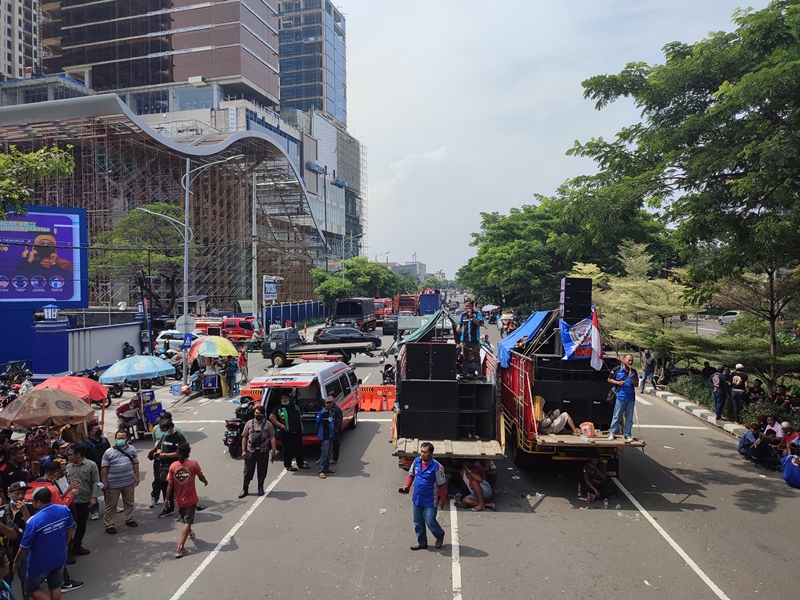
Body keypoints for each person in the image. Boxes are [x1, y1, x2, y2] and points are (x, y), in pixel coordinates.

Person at [14, 487, 75, 600]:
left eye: (32, 501)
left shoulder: (34, 521)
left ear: (38, 502)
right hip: (59, 556)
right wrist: (65, 544)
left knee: (31, 589)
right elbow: (70, 528)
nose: (31, 503)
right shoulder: (64, 510)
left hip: (40, 563)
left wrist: (16, 561)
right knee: (55, 585)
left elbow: (24, 547)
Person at [399, 443, 446, 551]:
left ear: (431, 453)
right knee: (417, 522)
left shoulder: (437, 467)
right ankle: (422, 542)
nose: (422, 454)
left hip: (430, 500)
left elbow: (442, 486)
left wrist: (442, 500)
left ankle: (439, 535)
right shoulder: (416, 462)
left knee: (430, 520)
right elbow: (411, 475)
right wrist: (407, 486)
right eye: (421, 451)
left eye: (425, 452)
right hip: (417, 499)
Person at [165, 443, 207, 559]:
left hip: (179, 499)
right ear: (189, 452)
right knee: (187, 521)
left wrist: (167, 498)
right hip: (191, 499)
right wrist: (205, 481)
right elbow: (201, 476)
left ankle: (189, 533)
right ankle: (180, 547)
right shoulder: (193, 464)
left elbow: (169, 484)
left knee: (185, 519)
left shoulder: (173, 466)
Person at [100, 431, 139, 534]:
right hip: (113, 483)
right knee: (111, 505)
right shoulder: (108, 452)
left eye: (123, 438)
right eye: (119, 438)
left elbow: (135, 463)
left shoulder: (132, 449)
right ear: (115, 438)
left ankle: (129, 519)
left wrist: (136, 477)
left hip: (128, 481)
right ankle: (109, 524)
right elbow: (104, 468)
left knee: (129, 501)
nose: (120, 440)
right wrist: (104, 481)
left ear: (126, 438)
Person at [65, 445, 99, 558]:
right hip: (69, 502)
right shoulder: (67, 467)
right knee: (69, 527)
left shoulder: (91, 465)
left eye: (70, 454)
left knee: (81, 526)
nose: (68, 456)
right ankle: (68, 549)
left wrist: (94, 497)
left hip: (84, 500)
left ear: (78, 455)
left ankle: (77, 546)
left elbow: (96, 482)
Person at [1, 481, 32, 596]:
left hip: (23, 549)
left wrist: (24, 511)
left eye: (23, 493)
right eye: (17, 493)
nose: (20, 496)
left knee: (26, 577)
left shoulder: (29, 508)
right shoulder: (2, 511)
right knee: (6, 578)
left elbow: (31, 528)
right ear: (9, 494)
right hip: (7, 551)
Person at [239, 406, 277, 498]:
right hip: (250, 451)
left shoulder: (268, 424)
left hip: (263, 452)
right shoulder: (249, 423)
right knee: (247, 471)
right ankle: (245, 489)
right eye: (256, 413)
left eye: (259, 413)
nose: (257, 415)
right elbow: (244, 437)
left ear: (263, 414)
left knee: (262, 471)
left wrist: (273, 450)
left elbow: (272, 437)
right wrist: (243, 451)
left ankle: (260, 487)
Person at [150, 420, 185, 519]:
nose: (164, 432)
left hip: (176, 465)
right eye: (162, 430)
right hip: (164, 466)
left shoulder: (179, 437)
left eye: (165, 430)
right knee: (165, 488)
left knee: (179, 488)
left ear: (171, 428)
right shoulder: (164, 436)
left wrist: (166, 455)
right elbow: (159, 447)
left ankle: (184, 510)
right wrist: (159, 452)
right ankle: (169, 508)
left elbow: (181, 453)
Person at [269, 393, 309, 472]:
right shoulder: (279, 408)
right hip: (286, 433)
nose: (284, 400)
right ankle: (288, 465)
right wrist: (280, 425)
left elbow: (299, 418)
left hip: (297, 431)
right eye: (282, 398)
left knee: (299, 448)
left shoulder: (295, 407)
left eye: (285, 398)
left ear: (288, 398)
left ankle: (300, 463)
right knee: (287, 449)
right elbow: (271, 417)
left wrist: (301, 427)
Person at [607, 354, 639, 442]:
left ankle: (627, 434)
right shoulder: (616, 370)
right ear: (623, 360)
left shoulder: (634, 371)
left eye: (632, 360)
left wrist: (632, 377)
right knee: (617, 415)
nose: (630, 362)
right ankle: (612, 433)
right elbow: (609, 379)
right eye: (629, 360)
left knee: (629, 417)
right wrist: (617, 382)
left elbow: (636, 385)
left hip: (630, 398)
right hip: (620, 396)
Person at [455, 299, 483, 365]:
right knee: (465, 357)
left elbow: (479, 323)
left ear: (472, 306)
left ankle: (479, 373)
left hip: (475, 339)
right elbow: (460, 325)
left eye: (469, 306)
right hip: (465, 339)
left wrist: (472, 316)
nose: (467, 308)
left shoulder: (477, 313)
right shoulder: (463, 315)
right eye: (466, 306)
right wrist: (458, 328)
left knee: (476, 357)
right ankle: (465, 373)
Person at [315, 397, 336, 479]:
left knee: (329, 453)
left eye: (330, 403)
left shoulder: (333, 412)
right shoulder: (322, 413)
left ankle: (327, 468)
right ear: (325, 404)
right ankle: (321, 471)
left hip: (331, 435)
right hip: (325, 436)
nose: (329, 404)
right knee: (324, 454)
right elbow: (317, 422)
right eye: (327, 403)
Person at [329, 396, 343, 465]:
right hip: (331, 429)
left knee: (335, 444)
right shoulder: (329, 408)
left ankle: (334, 459)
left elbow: (339, 420)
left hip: (335, 430)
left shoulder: (336, 409)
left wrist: (337, 429)